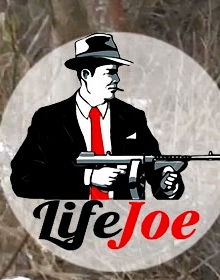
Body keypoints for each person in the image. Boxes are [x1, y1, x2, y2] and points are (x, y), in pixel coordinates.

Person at [9, 33, 171, 201]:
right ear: (86, 75)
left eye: (116, 73)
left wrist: (167, 184)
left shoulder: (132, 118)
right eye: (109, 73)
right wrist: (88, 178)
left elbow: (153, 166)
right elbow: (23, 180)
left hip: (127, 222)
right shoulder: (49, 120)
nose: (116, 79)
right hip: (68, 221)